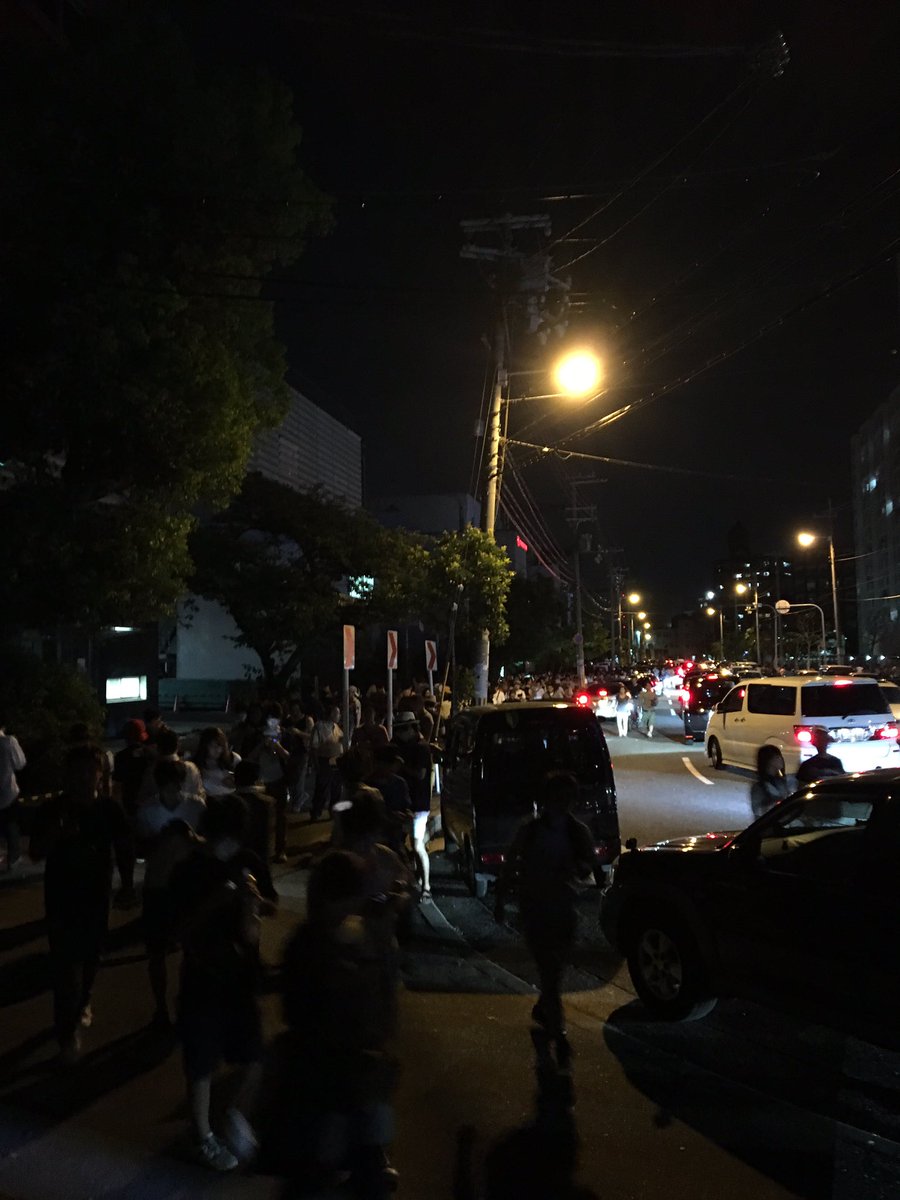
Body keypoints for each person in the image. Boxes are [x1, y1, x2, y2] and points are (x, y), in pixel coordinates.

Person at [280, 851, 400, 1197]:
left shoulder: (317, 940)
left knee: (326, 1165)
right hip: (338, 1077)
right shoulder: (341, 941)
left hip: (341, 1076)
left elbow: (294, 1011)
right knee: (334, 1163)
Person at [171, 793, 278, 1171]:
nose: (228, 845)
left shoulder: (248, 862)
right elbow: (179, 931)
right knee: (201, 1061)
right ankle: (201, 1136)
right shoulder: (189, 871)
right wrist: (218, 899)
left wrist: (255, 900)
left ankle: (231, 1117)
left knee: (253, 1054)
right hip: (203, 974)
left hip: (241, 974)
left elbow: (271, 904)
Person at [29, 744, 131, 1062]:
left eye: (91, 771)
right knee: (64, 966)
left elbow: (124, 847)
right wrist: (56, 834)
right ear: (67, 774)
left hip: (97, 896)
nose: (84, 778)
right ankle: (67, 1033)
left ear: (100, 775)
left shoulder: (109, 810)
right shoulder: (53, 809)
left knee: (91, 958)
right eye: (78, 771)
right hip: (61, 899)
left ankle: (83, 999)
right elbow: (35, 853)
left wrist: (128, 885)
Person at [495, 772, 595, 1063]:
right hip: (535, 907)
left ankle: (544, 1009)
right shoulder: (530, 830)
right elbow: (510, 863)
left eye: (567, 798)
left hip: (563, 907)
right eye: (557, 797)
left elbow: (589, 869)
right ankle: (558, 1032)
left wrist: (580, 870)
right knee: (549, 969)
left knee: (554, 970)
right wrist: (501, 900)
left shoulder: (577, 832)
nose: (561, 803)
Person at [135, 758, 206, 1028]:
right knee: (156, 953)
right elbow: (139, 849)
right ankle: (161, 1007)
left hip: (189, 886)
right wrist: (160, 839)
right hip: (158, 886)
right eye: (166, 785)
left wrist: (191, 838)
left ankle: (187, 1002)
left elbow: (209, 842)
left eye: (176, 784)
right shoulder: (147, 810)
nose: (172, 790)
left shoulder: (196, 807)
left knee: (193, 950)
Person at [392, 712, 433, 898]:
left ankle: (426, 886)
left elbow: (420, 774)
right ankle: (413, 880)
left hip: (419, 805)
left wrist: (402, 766)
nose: (400, 733)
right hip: (403, 803)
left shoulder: (421, 748)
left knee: (417, 846)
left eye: (403, 729)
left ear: (412, 728)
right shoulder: (401, 746)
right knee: (401, 843)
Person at [309, 702, 344, 822]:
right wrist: (316, 764)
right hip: (324, 760)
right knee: (322, 789)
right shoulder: (319, 726)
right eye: (337, 713)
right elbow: (314, 747)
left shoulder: (337, 727)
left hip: (337, 761)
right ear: (331, 714)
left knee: (336, 789)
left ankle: (333, 811)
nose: (339, 715)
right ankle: (316, 811)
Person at [0, 712, 26, 871]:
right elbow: (20, 763)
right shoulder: (8, 742)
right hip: (8, 791)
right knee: (11, 824)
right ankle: (13, 857)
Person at [192, 726, 241, 797]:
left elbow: (243, 783)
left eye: (220, 746)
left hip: (233, 799)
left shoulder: (233, 759)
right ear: (204, 746)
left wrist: (235, 783)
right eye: (212, 746)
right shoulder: (196, 763)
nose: (217, 750)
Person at [749, 745, 792, 820]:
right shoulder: (759, 787)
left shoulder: (781, 781)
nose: (781, 759)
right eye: (777, 757)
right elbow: (758, 811)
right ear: (769, 761)